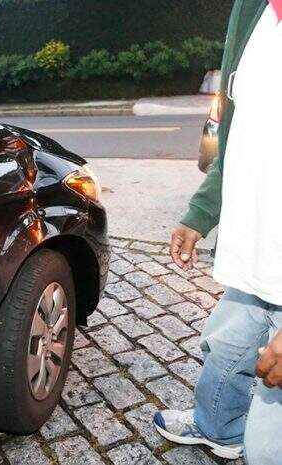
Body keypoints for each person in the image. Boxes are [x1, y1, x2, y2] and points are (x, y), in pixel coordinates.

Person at [153, 0, 282, 463]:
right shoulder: (252, 10)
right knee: (226, 344)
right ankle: (218, 428)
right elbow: (239, 137)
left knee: (269, 443)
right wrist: (200, 213)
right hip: (254, 251)